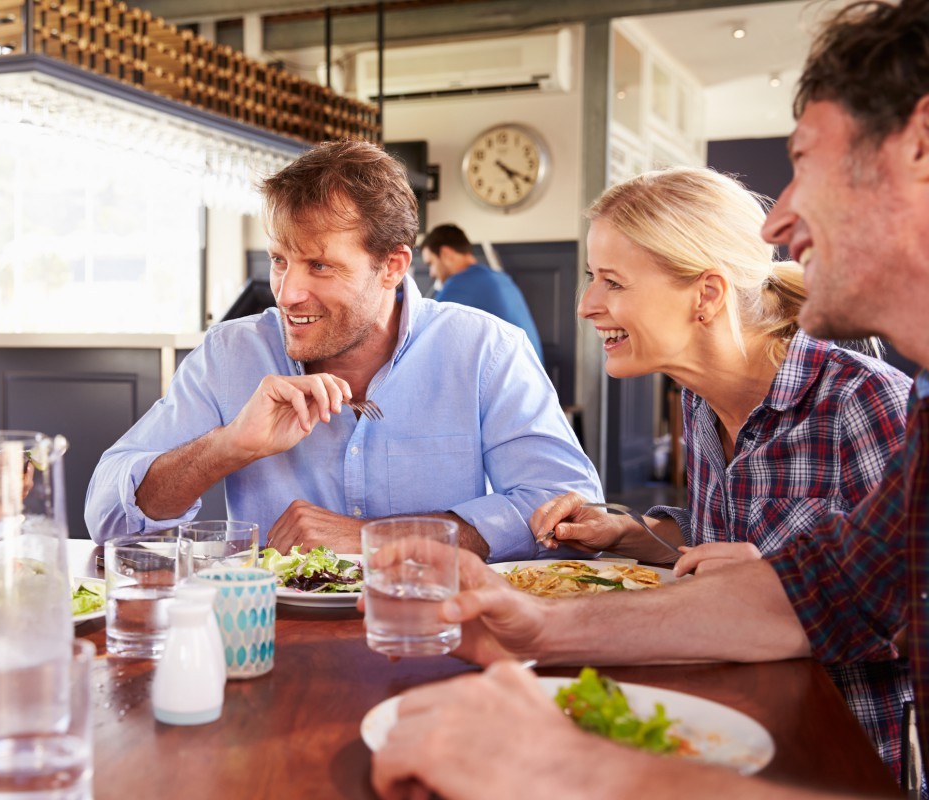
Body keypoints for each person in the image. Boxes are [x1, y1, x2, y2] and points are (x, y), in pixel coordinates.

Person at [370, 1, 929, 797]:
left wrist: (569, 765)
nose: (780, 217)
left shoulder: (875, 404)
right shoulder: (716, 410)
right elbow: (822, 595)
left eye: (805, 161)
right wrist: (540, 625)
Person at [531, 166, 912, 770]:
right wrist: (634, 534)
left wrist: (783, 584)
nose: (585, 306)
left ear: (706, 294)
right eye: (589, 278)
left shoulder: (864, 403)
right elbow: (729, 544)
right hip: (718, 734)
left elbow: (908, 605)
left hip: (838, 760)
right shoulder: (699, 399)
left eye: (612, 282)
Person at [85, 140, 601, 561]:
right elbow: (107, 518)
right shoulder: (230, 352)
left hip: (438, 640)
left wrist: (376, 538)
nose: (287, 294)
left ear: (394, 267)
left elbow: (570, 510)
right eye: (280, 260)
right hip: (272, 645)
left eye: (320, 266)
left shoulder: (485, 351)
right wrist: (227, 447)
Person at [420, 224, 544, 362]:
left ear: (446, 254)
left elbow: (426, 336)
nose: (432, 273)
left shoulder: (460, 285)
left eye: (431, 263)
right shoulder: (500, 279)